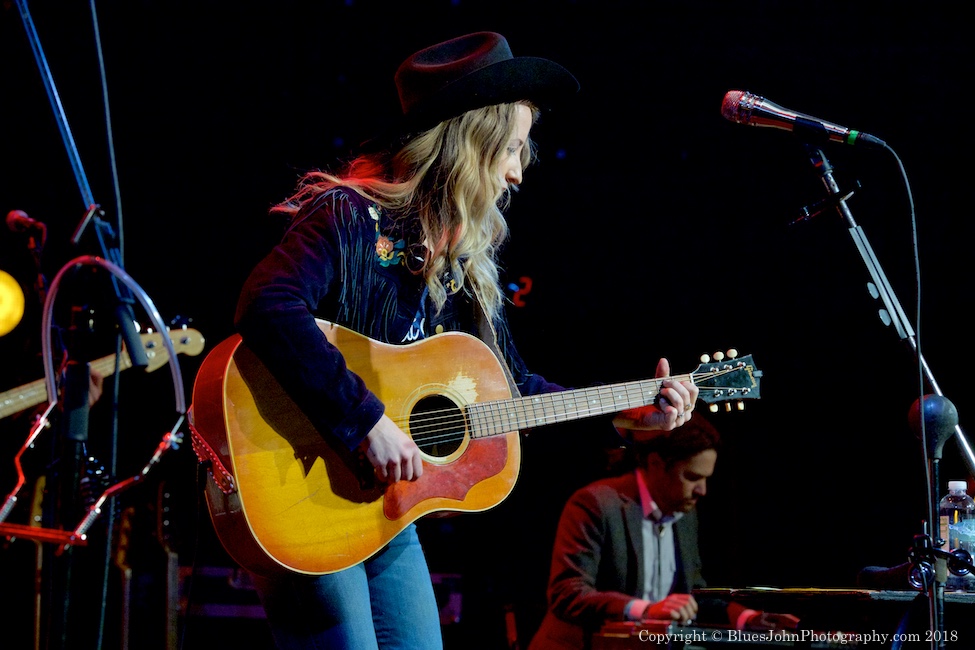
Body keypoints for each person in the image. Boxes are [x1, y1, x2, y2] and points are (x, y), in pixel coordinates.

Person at [233, 31, 699, 649]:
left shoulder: (464, 269)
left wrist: (628, 412)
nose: (517, 172)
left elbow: (513, 390)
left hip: (384, 513)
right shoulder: (349, 215)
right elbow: (266, 304)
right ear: (467, 146)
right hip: (300, 491)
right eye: (511, 148)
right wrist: (365, 420)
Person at [527, 413, 799, 649]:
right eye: (692, 478)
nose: (702, 491)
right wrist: (646, 610)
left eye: (705, 478)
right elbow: (567, 593)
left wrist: (746, 618)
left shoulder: (684, 513)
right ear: (656, 463)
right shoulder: (596, 504)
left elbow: (691, 597)